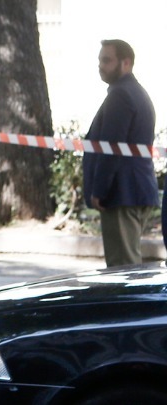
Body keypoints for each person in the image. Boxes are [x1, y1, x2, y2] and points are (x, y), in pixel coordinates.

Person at [82, 39, 158, 267]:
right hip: (133, 191)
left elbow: (111, 147)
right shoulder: (135, 92)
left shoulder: (121, 95)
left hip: (122, 193)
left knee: (122, 271)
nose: (100, 65)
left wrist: (99, 190)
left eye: (107, 60)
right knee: (128, 267)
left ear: (126, 63)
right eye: (99, 60)